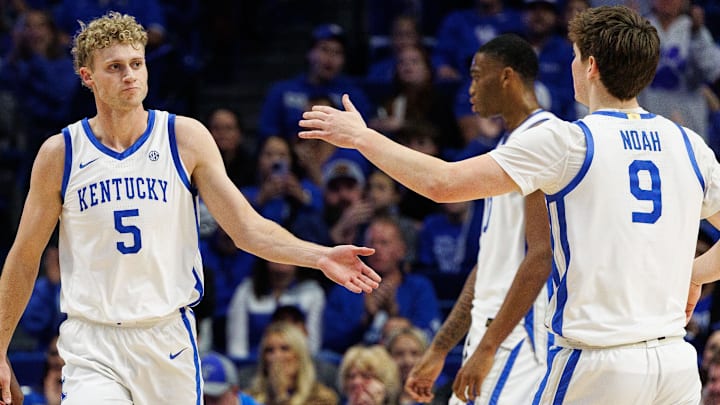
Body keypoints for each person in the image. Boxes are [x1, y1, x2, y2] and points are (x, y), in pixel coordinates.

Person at [300, 6, 720, 403]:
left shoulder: (568, 141)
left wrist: (361, 137)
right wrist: (696, 271)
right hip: (674, 363)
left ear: (590, 67)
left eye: (575, 57)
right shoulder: (690, 146)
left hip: (598, 360)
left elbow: (442, 184)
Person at [0, 11, 381, 404]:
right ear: (88, 77)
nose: (130, 75)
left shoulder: (184, 138)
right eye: (114, 67)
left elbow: (246, 228)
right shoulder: (60, 154)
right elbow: (25, 256)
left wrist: (320, 256)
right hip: (93, 339)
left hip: (167, 336)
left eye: (136, 64)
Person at [405, 34, 555, 405]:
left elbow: (541, 257)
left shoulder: (545, 139)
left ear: (507, 77)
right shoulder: (508, 147)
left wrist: (361, 138)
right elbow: (489, 265)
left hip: (520, 334)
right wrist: (441, 347)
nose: (469, 88)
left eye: (476, 76)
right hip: (494, 333)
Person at [323, 215, 441, 355]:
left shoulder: (419, 288)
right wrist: (366, 319)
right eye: (371, 243)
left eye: (384, 243)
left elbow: (430, 336)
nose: (376, 249)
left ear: (401, 250)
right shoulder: (346, 288)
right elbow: (330, 342)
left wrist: (395, 314)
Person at [245, 321, 338, 405]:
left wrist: (281, 395)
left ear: (300, 355)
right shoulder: (248, 398)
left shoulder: (322, 398)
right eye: (269, 350)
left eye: (285, 349)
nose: (276, 356)